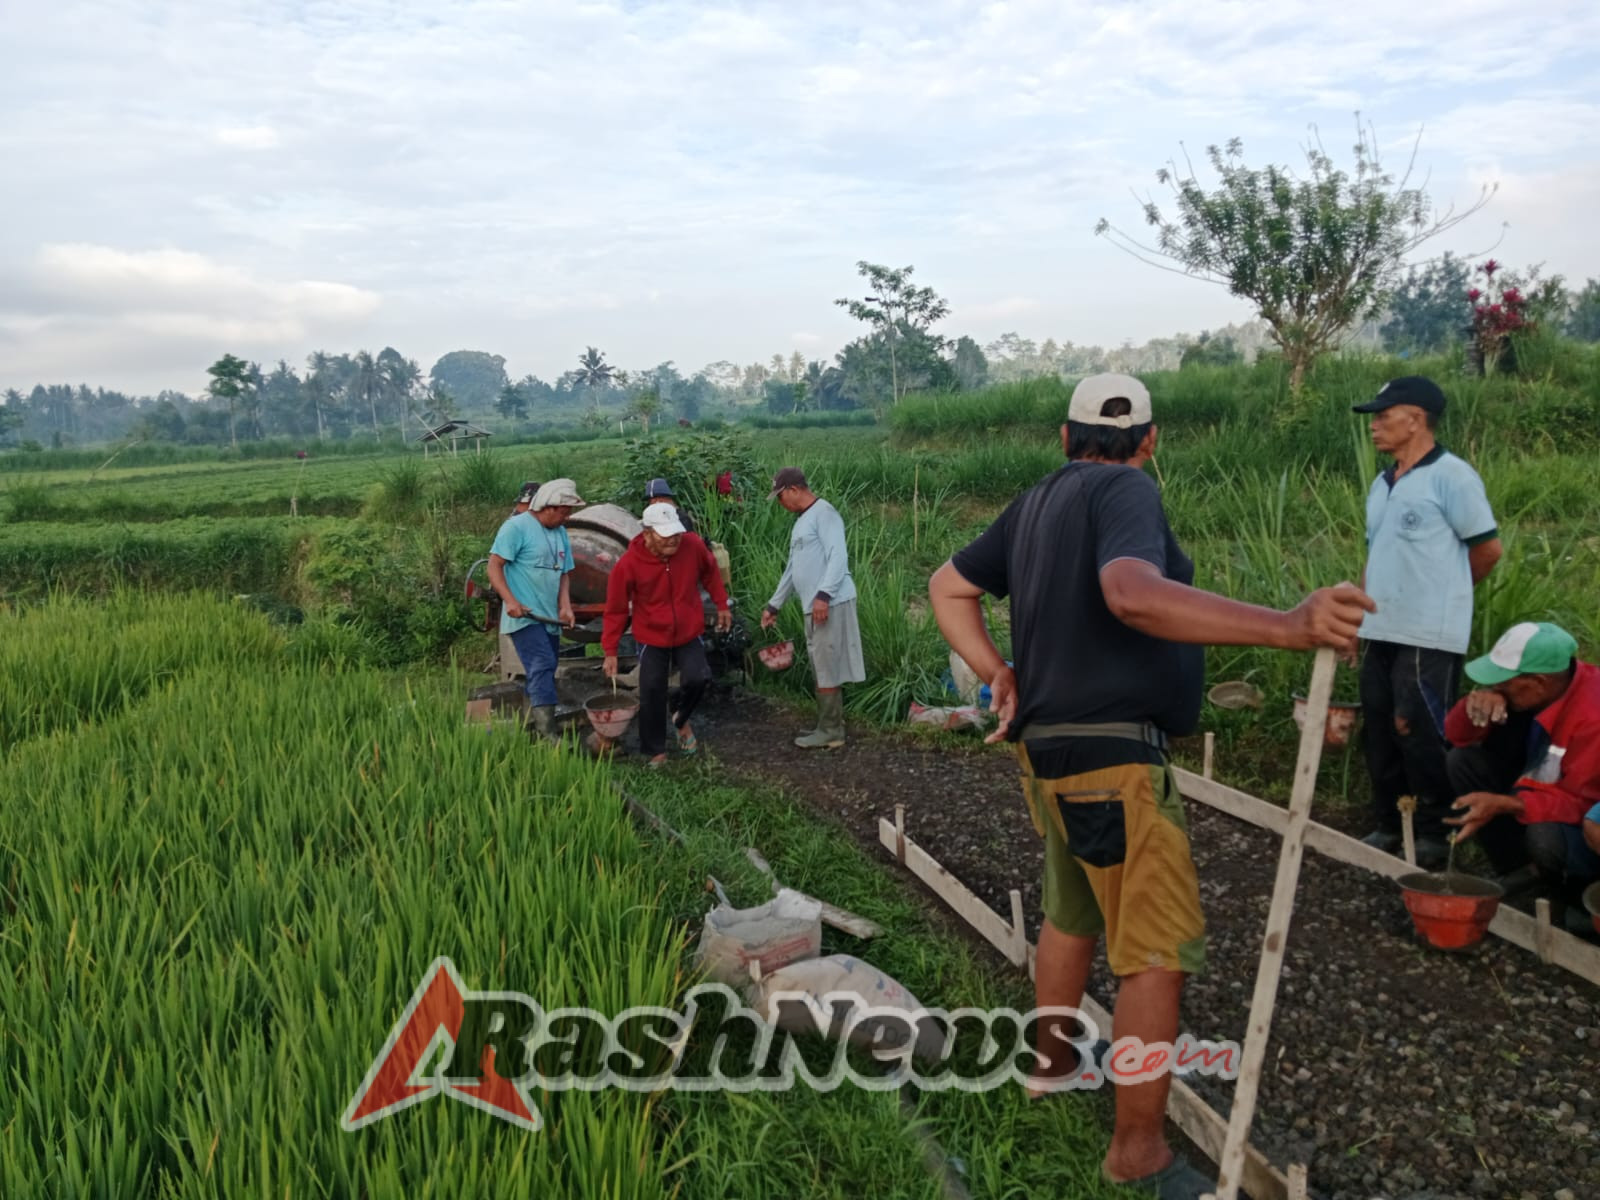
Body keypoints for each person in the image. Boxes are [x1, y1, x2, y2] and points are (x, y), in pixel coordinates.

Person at [927, 373, 1374, 1198]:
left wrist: (1000, 673)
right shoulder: (1126, 488)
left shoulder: (1035, 503)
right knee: (1157, 954)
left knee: (1072, 912)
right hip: (1116, 764)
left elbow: (947, 587)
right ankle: (1136, 1152)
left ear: (1064, 437)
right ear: (1151, 441)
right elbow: (1128, 593)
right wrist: (1285, 625)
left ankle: (1048, 1066)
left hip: (1049, 754)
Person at [1350, 376, 1501, 870]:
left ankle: (1437, 829)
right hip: (1379, 626)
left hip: (1426, 633)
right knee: (1378, 727)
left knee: (1416, 728)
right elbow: (1378, 554)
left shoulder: (1452, 477)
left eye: (1382, 416)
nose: (1374, 426)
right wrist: (1359, 615)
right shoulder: (1384, 482)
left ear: (1415, 418)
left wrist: (1447, 597)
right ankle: (1390, 822)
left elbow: (1486, 549)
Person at [1444, 621, 1600, 923]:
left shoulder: (1593, 719)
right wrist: (1478, 703)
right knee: (1462, 761)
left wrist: (1508, 804)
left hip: (1587, 824)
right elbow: (1455, 736)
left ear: (1538, 682)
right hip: (1539, 787)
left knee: (1545, 838)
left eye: (1503, 681)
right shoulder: (1540, 691)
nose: (1497, 687)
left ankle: (1577, 896)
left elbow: (1583, 807)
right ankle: (1520, 869)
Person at [600, 502, 732, 765]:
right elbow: (615, 610)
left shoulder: (692, 546)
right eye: (665, 535)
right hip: (651, 635)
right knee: (651, 690)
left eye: (676, 533)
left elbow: (710, 573)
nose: (673, 539)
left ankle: (681, 719)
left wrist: (721, 604)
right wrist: (610, 650)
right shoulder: (628, 564)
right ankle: (655, 750)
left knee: (698, 678)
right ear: (647, 534)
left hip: (687, 629)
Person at [760, 467, 866, 749]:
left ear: (794, 490)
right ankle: (828, 726)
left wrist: (824, 595)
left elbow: (838, 556)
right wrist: (774, 604)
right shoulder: (802, 521)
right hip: (815, 604)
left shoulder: (825, 514)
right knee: (822, 664)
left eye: (781, 497)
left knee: (826, 664)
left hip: (828, 603)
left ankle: (831, 730)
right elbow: (793, 569)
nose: (781, 504)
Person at [488, 478, 582, 741]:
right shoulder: (516, 528)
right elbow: (494, 566)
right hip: (524, 616)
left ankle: (532, 721)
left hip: (548, 616)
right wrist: (510, 601)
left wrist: (564, 606)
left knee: (546, 667)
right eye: (564, 512)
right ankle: (548, 734)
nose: (567, 517)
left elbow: (564, 574)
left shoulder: (560, 532)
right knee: (542, 664)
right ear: (548, 506)